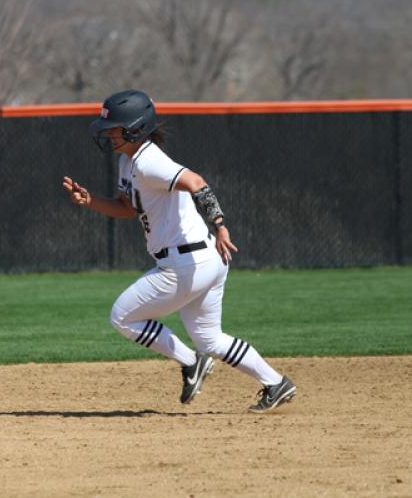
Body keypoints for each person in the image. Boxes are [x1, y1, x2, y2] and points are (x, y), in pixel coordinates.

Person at [62, 89, 296, 413]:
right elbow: (127, 207)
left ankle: (191, 362)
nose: (108, 133)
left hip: (185, 263)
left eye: (114, 127)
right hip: (205, 260)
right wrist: (91, 202)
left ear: (135, 128)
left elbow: (197, 182)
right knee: (210, 339)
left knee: (122, 317)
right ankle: (275, 383)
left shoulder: (150, 161)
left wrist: (221, 224)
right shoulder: (128, 161)